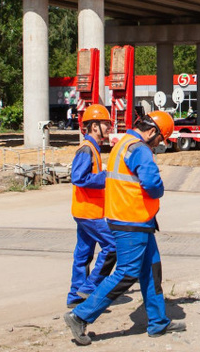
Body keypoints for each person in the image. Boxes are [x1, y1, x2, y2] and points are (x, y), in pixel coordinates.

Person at [65, 110, 185, 345]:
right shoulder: (139, 148)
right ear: (152, 132)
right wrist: (159, 189)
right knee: (127, 273)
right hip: (132, 221)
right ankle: (80, 315)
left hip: (135, 220)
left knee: (152, 270)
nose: (159, 145)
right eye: (161, 139)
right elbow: (151, 184)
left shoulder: (123, 143)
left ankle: (158, 322)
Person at [68, 104, 116, 309]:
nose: (109, 127)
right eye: (105, 124)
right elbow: (78, 178)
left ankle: (75, 297)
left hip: (86, 210)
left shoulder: (92, 148)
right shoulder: (87, 149)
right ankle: (89, 288)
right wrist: (105, 177)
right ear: (94, 126)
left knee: (83, 254)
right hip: (89, 213)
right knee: (112, 246)